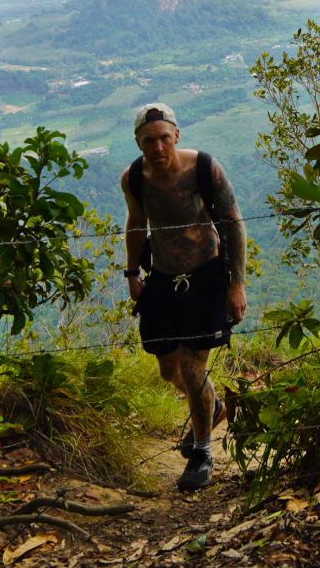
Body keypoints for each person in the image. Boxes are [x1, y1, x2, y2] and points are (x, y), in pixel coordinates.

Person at [122, 103, 247, 491]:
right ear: (139, 142)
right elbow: (136, 223)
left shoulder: (205, 168)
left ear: (176, 135)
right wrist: (132, 272)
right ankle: (214, 408)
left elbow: (233, 223)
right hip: (162, 276)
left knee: (194, 369)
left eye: (163, 138)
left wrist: (236, 284)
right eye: (148, 140)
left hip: (207, 274)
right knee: (169, 369)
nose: (157, 147)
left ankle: (202, 452)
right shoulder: (134, 178)